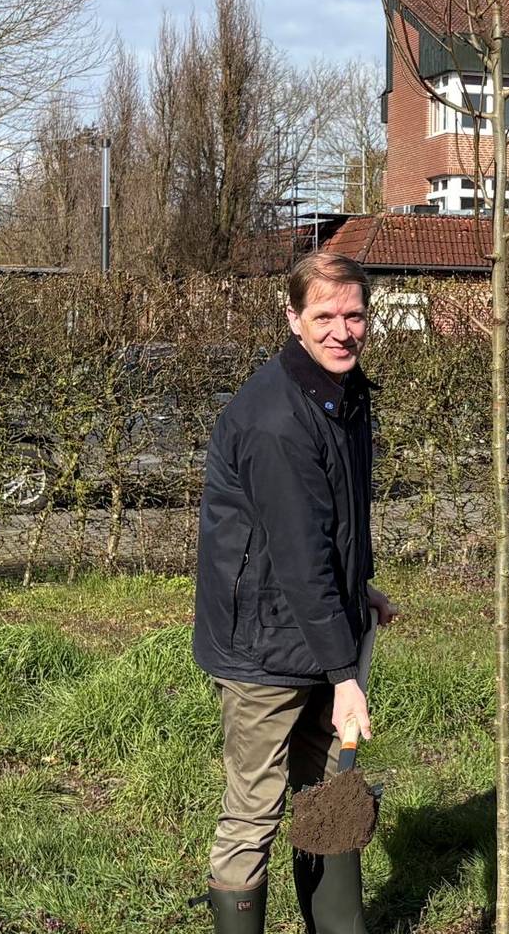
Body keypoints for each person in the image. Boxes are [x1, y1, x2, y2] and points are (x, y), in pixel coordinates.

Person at [193, 252, 397, 934]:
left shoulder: (343, 393)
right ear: (293, 319)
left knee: (327, 794)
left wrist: (358, 588)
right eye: (325, 317)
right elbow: (297, 553)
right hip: (263, 648)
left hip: (316, 624)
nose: (343, 331)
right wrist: (345, 676)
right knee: (255, 809)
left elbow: (336, 520)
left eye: (355, 315)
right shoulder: (276, 421)